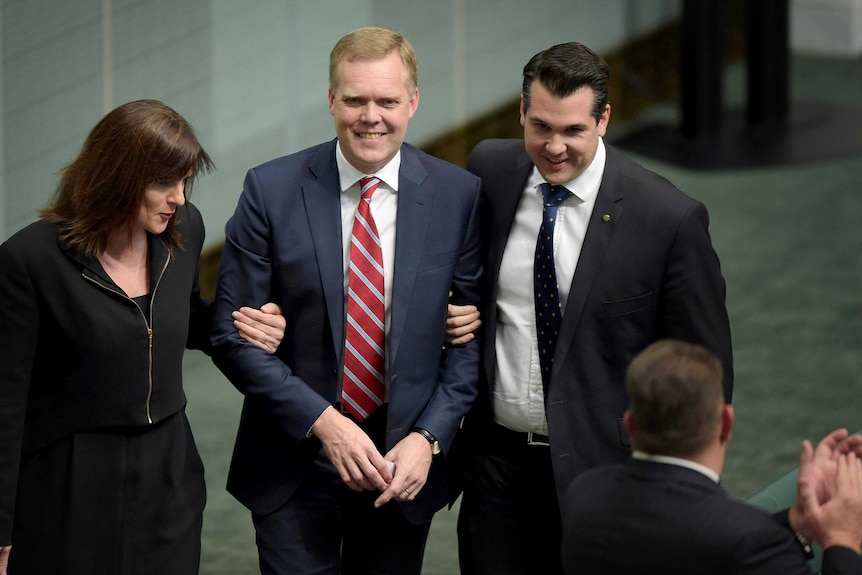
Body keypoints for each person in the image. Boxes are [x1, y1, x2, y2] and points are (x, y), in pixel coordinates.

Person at [452, 41, 734, 575]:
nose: (554, 147)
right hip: (498, 470)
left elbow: (705, 373)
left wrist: (679, 484)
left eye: (573, 131)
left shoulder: (667, 219)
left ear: (604, 119)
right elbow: (462, 273)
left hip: (608, 478)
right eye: (540, 127)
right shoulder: (489, 168)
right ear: (521, 112)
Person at [209, 27, 483, 575]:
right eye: (355, 99)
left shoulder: (458, 196)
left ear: (413, 102)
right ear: (331, 99)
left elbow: (471, 346)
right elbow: (228, 335)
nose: (370, 117)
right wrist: (326, 425)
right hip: (294, 455)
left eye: (387, 101)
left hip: (399, 465)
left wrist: (428, 439)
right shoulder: (270, 189)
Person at [0, 99, 286, 575]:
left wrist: (247, 326)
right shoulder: (28, 261)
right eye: (163, 182)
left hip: (168, 472)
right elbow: (5, 404)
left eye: (185, 180)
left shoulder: (185, 229)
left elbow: (186, 318)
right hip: (70, 480)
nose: (178, 197)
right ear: (116, 176)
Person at [560, 339, 862, 574]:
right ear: (727, 423)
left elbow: (684, 548)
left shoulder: (585, 494)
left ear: (630, 424)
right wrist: (843, 539)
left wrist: (795, 522)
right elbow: (727, 545)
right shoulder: (747, 541)